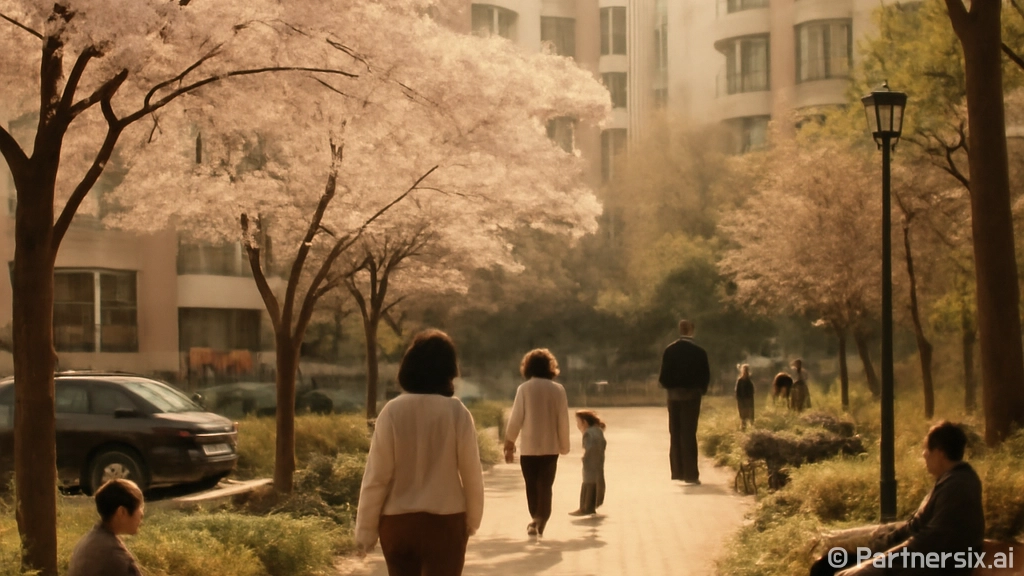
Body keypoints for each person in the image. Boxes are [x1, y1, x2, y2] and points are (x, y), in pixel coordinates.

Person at [355, 330, 484, 576]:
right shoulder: (457, 412)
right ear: (449, 370)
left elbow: (376, 477)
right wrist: (472, 520)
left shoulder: (392, 411)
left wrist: (366, 531)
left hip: (398, 523)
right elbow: (471, 474)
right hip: (446, 522)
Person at [810, 421, 984, 576]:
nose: (924, 455)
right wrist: (875, 544)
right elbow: (912, 527)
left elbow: (929, 541)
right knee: (829, 563)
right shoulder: (951, 480)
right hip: (918, 558)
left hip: (933, 565)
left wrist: (876, 562)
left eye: (926, 450)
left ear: (940, 453)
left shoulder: (959, 486)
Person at [504, 348, 571, 537]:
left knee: (531, 486)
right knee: (545, 486)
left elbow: (516, 418)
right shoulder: (558, 390)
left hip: (528, 448)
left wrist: (509, 444)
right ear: (550, 367)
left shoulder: (524, 389)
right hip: (550, 448)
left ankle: (535, 518)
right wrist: (564, 446)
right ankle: (540, 519)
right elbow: (563, 420)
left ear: (528, 367)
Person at [658, 319, 711, 485]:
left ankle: (678, 471)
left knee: (675, 432)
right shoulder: (699, 352)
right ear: (692, 331)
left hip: (673, 396)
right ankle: (691, 474)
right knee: (689, 433)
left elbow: (663, 377)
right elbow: (705, 375)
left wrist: (671, 387)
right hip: (692, 396)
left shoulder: (670, 350)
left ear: (680, 330)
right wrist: (700, 389)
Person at [67, 478, 145, 576]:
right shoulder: (115, 556)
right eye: (139, 507)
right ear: (122, 512)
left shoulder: (91, 539)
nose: (142, 514)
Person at [568, 409, 606, 516]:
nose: (577, 425)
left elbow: (589, 448)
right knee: (595, 482)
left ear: (584, 422)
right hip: (599, 462)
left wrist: (585, 458)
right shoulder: (598, 431)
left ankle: (585, 508)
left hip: (591, 462)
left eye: (578, 422)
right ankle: (591, 507)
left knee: (588, 483)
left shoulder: (588, 433)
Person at [735, 364, 755, 430]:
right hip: (742, 401)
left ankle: (751, 430)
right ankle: (743, 430)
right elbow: (737, 393)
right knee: (743, 419)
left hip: (748, 401)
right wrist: (740, 401)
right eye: (744, 370)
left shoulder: (749, 381)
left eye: (747, 371)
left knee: (750, 418)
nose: (746, 372)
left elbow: (752, 392)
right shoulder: (740, 381)